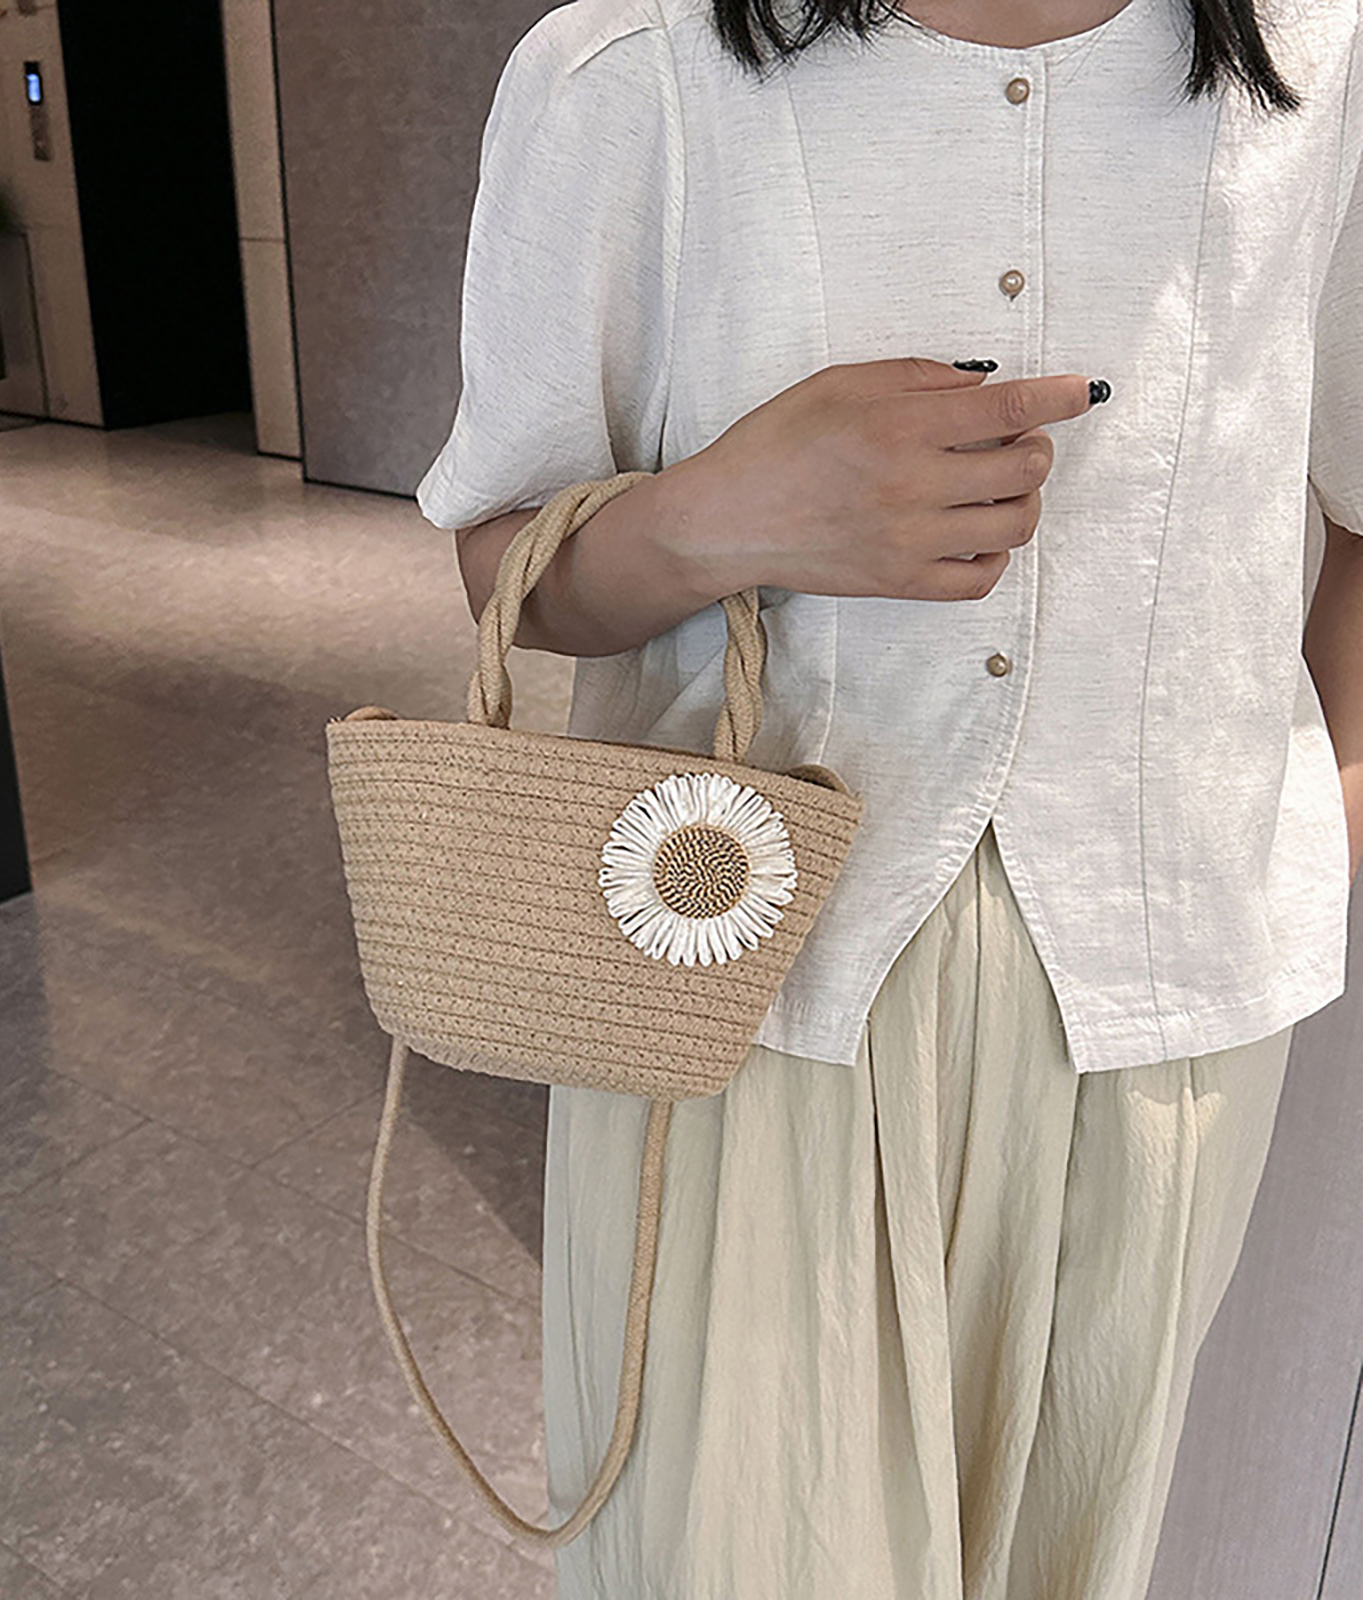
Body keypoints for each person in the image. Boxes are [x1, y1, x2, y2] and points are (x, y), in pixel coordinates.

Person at [415, 0, 1363, 1593]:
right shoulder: (630, 68)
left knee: (1071, 1557)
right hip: (744, 996)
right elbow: (502, 562)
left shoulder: (1325, 59)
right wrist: (720, 516)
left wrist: (1326, 820)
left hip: (1164, 1023)